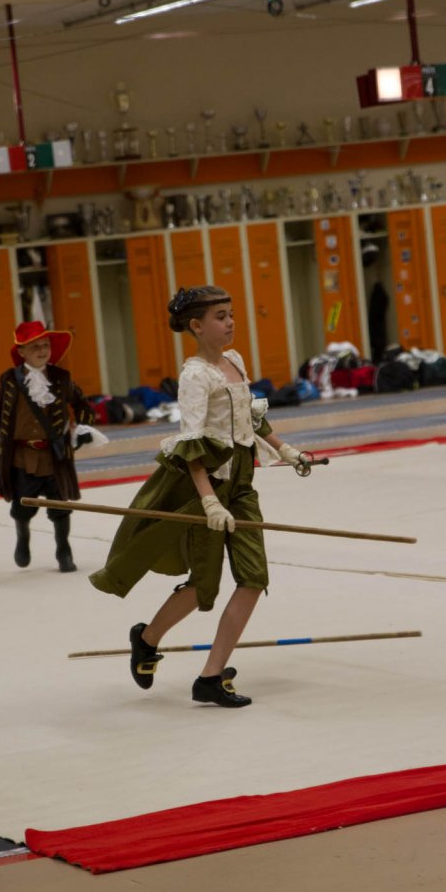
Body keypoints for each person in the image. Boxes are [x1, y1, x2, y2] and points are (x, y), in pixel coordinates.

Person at [89, 286, 308, 707]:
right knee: (204, 585)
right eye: (220, 317)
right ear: (196, 326)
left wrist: (286, 450)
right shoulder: (194, 376)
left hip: (242, 483)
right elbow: (191, 445)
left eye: (231, 314)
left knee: (254, 578)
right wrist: (209, 500)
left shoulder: (235, 360)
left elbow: (249, 417)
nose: (230, 322)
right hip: (208, 483)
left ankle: (210, 677)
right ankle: (146, 639)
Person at [0, 321, 95, 572]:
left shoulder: (61, 378)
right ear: (21, 351)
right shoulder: (10, 380)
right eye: (35, 347)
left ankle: (64, 550)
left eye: (45, 345)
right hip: (22, 457)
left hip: (55, 454)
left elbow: (81, 403)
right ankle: (22, 538)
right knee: (22, 508)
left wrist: (85, 428)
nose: (42, 351)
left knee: (61, 508)